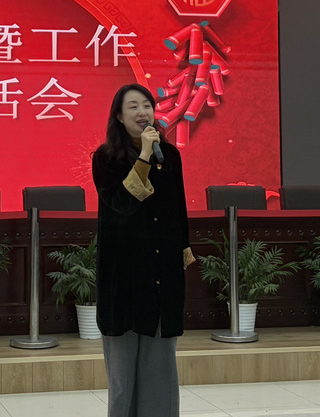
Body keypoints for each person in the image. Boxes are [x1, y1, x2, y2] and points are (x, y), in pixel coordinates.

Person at [92, 83, 195, 417]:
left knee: (160, 369)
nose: (142, 112)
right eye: (133, 106)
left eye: (147, 105)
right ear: (119, 117)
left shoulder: (171, 156)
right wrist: (145, 155)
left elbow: (177, 210)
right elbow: (122, 203)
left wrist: (182, 251)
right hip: (123, 272)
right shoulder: (105, 158)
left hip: (161, 270)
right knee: (123, 372)